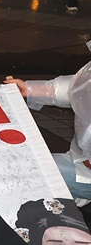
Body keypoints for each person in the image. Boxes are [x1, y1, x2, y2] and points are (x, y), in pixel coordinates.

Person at [6, 42, 91, 207]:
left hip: (84, 171)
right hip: (79, 162)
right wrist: (31, 89)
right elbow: (78, 88)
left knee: (26, 172)